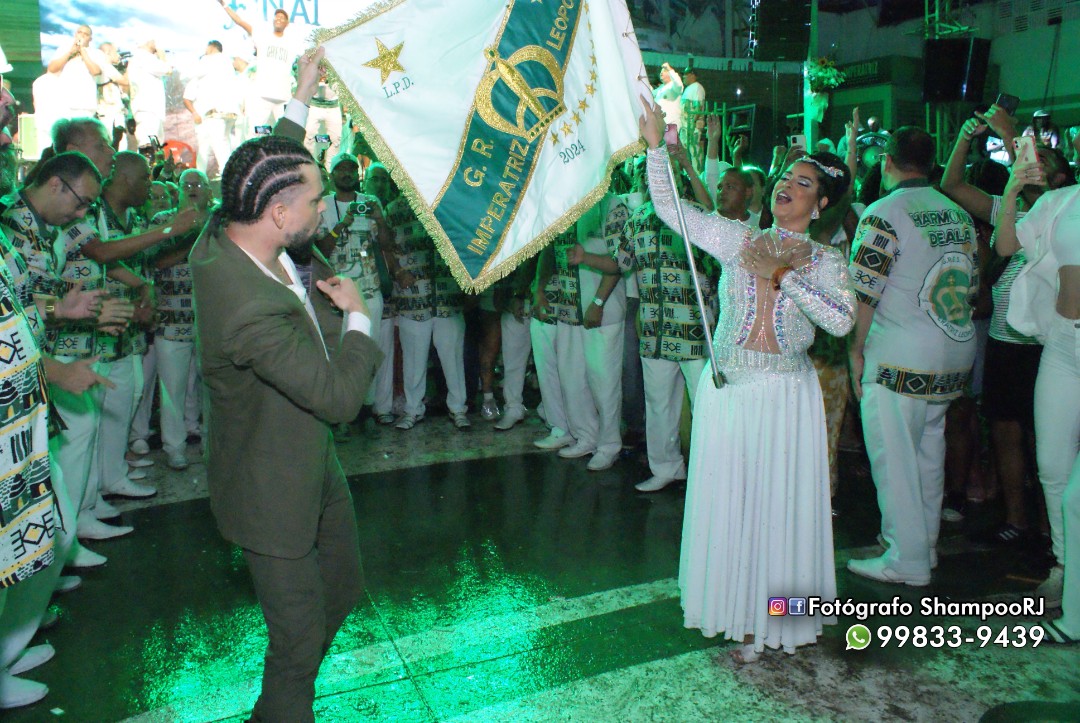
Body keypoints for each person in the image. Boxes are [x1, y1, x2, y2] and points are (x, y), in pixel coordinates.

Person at [190, 49, 383, 720]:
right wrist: (358, 315)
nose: (324, 209)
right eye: (316, 201)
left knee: (343, 588)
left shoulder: (227, 227)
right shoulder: (246, 306)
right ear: (278, 214)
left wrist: (302, 91)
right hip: (269, 485)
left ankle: (284, 693)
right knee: (297, 640)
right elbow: (338, 399)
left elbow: (271, 163)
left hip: (311, 462)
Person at [640, 98, 855, 662]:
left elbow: (841, 320)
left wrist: (782, 275)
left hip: (786, 396)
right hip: (730, 392)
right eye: (785, 177)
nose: (787, 186)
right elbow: (670, 209)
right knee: (733, 506)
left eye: (803, 183)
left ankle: (777, 620)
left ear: (821, 203)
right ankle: (735, 613)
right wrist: (657, 149)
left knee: (778, 510)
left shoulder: (826, 260)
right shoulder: (737, 238)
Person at [847, 127, 978, 587]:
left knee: (895, 457)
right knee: (928, 450)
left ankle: (907, 559)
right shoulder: (957, 212)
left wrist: (854, 350)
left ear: (887, 161)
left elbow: (864, 291)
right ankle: (925, 545)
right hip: (952, 347)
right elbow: (973, 281)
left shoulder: (885, 212)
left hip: (900, 352)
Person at [993, 153, 1080, 643]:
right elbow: (1007, 245)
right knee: (1051, 466)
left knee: (1076, 492)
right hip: (1064, 342)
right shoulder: (1064, 201)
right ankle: (1066, 568)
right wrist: (1011, 190)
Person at [217, 2, 304, 134]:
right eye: (277, 16)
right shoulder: (263, 37)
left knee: (285, 135)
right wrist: (224, 5)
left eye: (282, 18)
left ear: (287, 24)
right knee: (256, 132)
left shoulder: (292, 43)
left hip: (283, 97)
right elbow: (239, 21)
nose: (279, 19)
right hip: (262, 95)